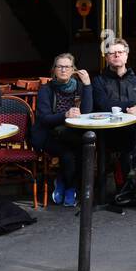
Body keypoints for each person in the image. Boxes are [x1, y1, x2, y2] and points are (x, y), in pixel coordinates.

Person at [92, 38, 136, 215]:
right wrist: (135, 106)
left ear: (126, 56)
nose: (116, 55)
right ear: (107, 58)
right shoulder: (99, 81)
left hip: (134, 135)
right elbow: (103, 104)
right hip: (110, 133)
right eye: (112, 53)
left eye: (120, 52)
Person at [29, 53, 93, 208]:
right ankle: (72, 187)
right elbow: (44, 118)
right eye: (60, 66)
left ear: (73, 70)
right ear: (54, 70)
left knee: (71, 152)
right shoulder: (46, 89)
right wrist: (65, 115)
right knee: (79, 148)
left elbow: (87, 111)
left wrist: (87, 85)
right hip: (49, 135)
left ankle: (63, 182)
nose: (63, 70)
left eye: (67, 67)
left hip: (71, 134)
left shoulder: (78, 87)